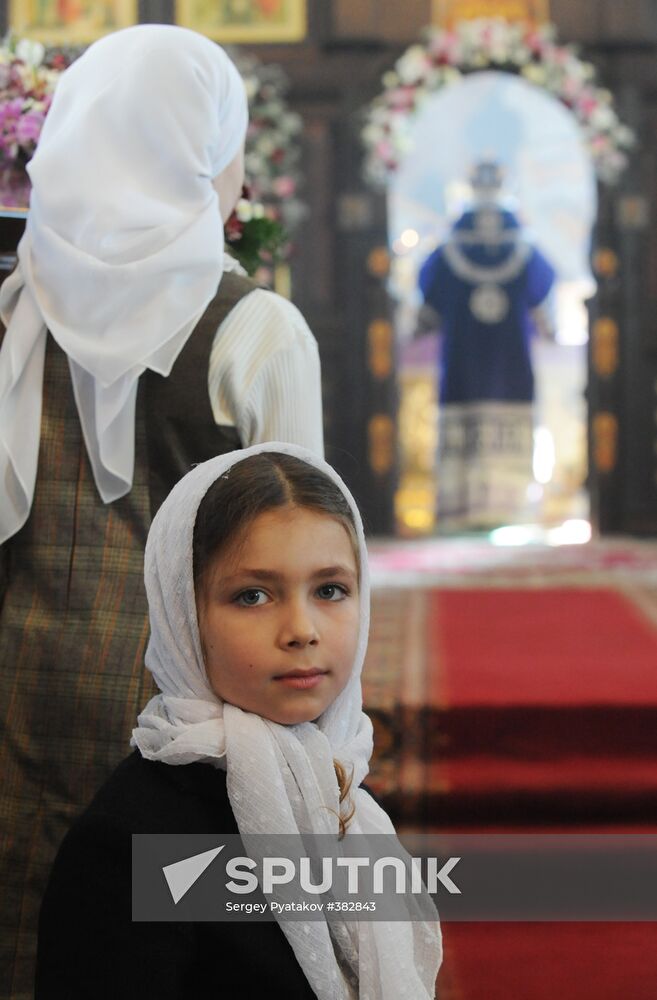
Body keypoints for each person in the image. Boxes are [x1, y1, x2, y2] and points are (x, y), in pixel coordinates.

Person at [0, 26, 322, 999]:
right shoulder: (254, 329)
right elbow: (307, 560)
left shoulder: (15, 309)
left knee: (30, 942)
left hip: (16, 690)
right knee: (174, 955)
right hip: (185, 718)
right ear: (199, 150)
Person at [35, 443, 442, 999]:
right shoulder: (133, 844)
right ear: (185, 615)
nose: (301, 629)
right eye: (252, 596)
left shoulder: (336, 789)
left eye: (330, 590)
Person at [419, 161, 555, 531]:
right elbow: (544, 299)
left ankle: (461, 512)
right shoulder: (524, 248)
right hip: (511, 362)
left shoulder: (448, 248)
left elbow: (426, 306)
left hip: (463, 362)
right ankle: (513, 512)